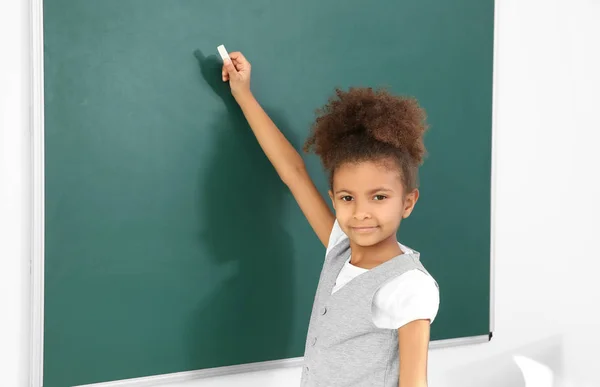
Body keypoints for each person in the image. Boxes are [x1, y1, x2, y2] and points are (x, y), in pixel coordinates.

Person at [221, 51, 439, 387]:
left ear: (407, 202)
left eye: (379, 197)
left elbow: (414, 383)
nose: (361, 212)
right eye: (347, 198)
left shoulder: (409, 285)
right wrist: (243, 95)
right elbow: (293, 172)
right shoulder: (340, 247)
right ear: (333, 200)